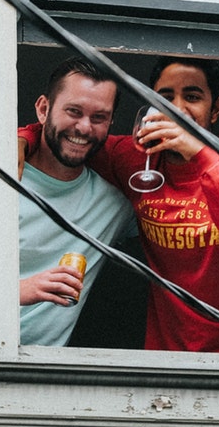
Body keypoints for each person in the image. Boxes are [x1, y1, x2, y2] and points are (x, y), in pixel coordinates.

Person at [20, 56, 219, 353]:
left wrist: (200, 154)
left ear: (215, 109)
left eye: (192, 96)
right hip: (166, 354)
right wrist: (21, 139)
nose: (177, 108)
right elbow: (74, 135)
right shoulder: (135, 159)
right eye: (165, 97)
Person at [18, 58, 135, 346]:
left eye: (98, 118)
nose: (83, 128)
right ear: (43, 109)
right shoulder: (1, 176)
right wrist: (19, 291)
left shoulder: (113, 204)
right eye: (74, 111)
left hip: (44, 374)